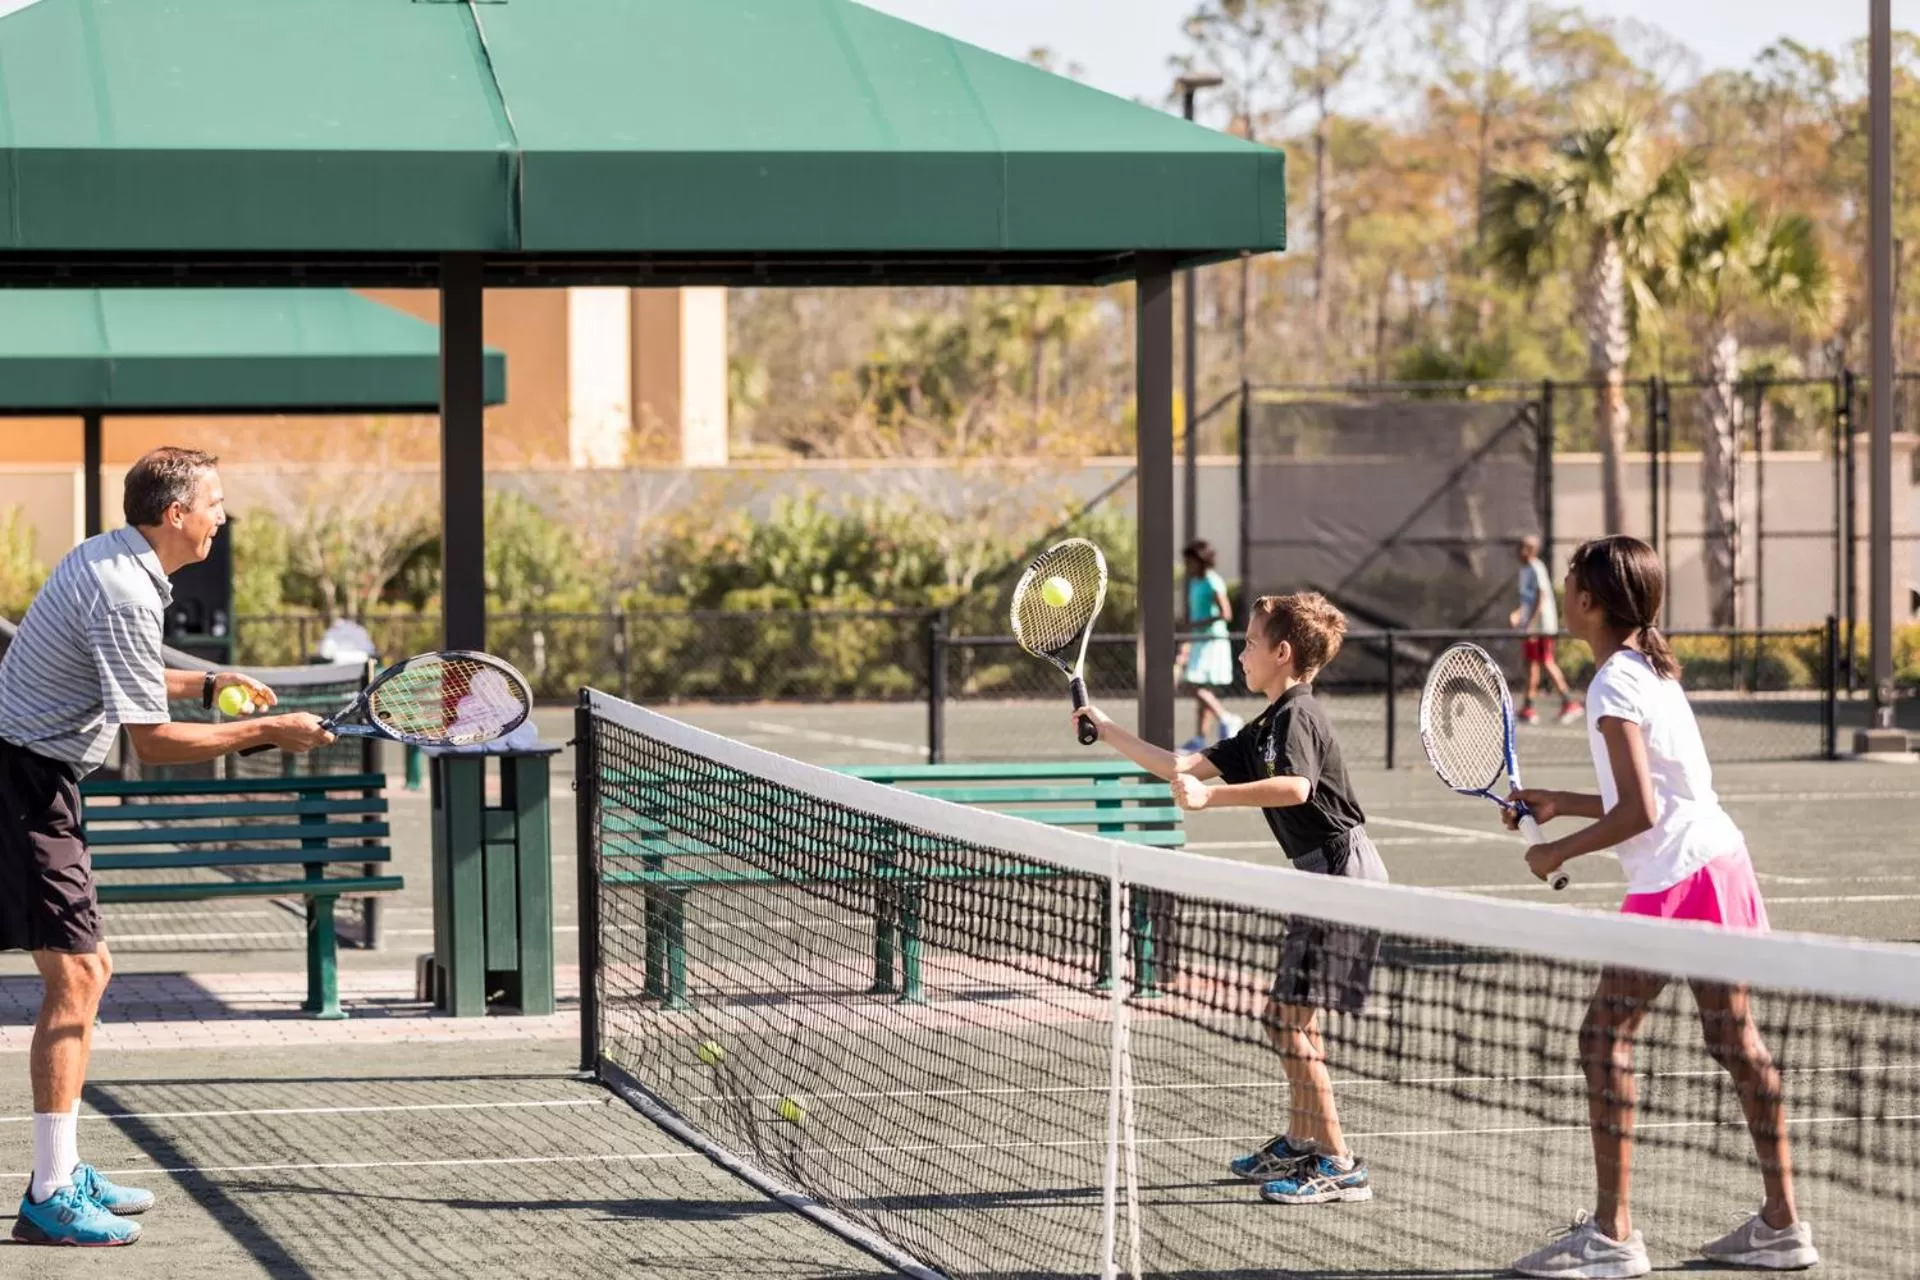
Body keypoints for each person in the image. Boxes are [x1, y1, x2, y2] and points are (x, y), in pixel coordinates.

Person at [1, 447, 337, 1247]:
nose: (223, 516)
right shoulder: (124, 589)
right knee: (80, 973)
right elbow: (150, 743)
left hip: (33, 774)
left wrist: (211, 683)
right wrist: (268, 731)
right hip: (21, 781)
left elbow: (125, 673)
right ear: (175, 515)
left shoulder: (118, 563)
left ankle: (61, 1169)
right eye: (214, 503)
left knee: (87, 971)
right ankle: (50, 1193)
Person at [1505, 536, 1814, 1278]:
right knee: (1735, 1043)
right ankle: (1783, 1224)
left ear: (1587, 601)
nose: (1569, 583)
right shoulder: (1649, 668)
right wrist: (1560, 800)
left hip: (1681, 881)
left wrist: (1557, 850)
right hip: (1719, 863)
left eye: (1575, 576)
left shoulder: (1615, 682)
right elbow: (1657, 796)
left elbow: (1640, 811)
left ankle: (1613, 1235)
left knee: (1601, 1038)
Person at [1076, 591, 1387, 1208]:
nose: (1240, 653)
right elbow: (1180, 764)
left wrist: (1210, 800)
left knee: (1284, 1020)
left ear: (1282, 653)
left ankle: (1340, 1164)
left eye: (1248, 643)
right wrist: (1106, 728)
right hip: (1317, 874)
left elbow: (1296, 788)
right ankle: (1304, 1141)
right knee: (1293, 1020)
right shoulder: (1265, 725)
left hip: (1341, 871)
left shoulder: (1299, 715)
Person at [1176, 540, 1243, 751]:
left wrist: (1197, 624)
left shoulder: (1214, 582)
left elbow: (1226, 613)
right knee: (1202, 691)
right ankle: (1199, 739)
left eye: (1190, 561)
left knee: (1190, 685)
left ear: (1200, 561)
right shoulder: (1194, 583)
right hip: (1198, 641)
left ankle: (1227, 718)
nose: (1187, 565)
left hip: (1212, 641)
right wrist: (1187, 641)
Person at [1510, 535, 1583, 725]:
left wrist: (1532, 626)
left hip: (1541, 627)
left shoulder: (1536, 568)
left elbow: (1541, 598)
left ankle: (1569, 703)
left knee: (1546, 662)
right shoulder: (1524, 570)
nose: (1518, 552)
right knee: (1531, 664)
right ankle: (1528, 707)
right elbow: (1527, 600)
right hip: (1532, 626)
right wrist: (1518, 614)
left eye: (1522, 548)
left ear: (1530, 550)